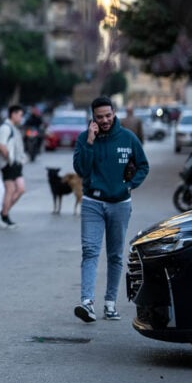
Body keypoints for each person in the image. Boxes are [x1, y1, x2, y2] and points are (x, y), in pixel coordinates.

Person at [72, 96, 149, 323]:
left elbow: (143, 166)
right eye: (100, 117)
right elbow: (81, 170)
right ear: (93, 118)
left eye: (108, 115)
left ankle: (110, 304)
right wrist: (90, 141)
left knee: (115, 255)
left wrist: (129, 185)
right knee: (90, 251)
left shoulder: (128, 138)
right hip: (92, 203)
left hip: (120, 204)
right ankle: (87, 303)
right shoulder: (84, 139)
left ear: (114, 113)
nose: (104, 120)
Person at [0, 104, 26, 228]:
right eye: (20, 115)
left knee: (21, 189)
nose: (21, 118)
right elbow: (1, 145)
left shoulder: (14, 128)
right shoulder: (5, 128)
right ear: (13, 114)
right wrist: (9, 159)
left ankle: (3, 212)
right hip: (9, 164)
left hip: (16, 164)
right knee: (10, 189)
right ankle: (4, 215)